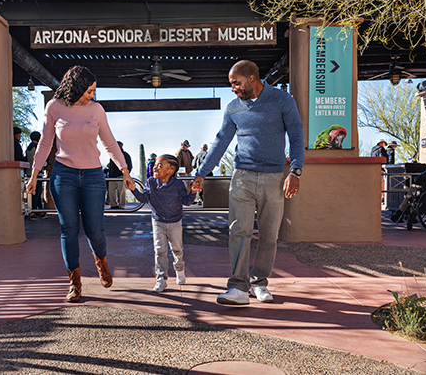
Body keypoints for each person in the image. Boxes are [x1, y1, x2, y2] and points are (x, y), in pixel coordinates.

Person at [191, 60, 305, 306]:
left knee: (268, 235)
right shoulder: (233, 108)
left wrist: (295, 171)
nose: (233, 88)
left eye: (236, 83)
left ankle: (259, 282)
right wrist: (201, 173)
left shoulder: (282, 100)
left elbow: (296, 135)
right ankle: (238, 288)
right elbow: (220, 142)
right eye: (231, 84)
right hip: (242, 177)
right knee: (238, 231)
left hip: (274, 178)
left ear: (252, 78)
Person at [26, 66, 134, 303]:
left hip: (93, 175)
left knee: (95, 229)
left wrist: (125, 171)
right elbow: (45, 142)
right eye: (88, 90)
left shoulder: (96, 110)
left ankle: (101, 262)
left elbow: (110, 142)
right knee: (69, 230)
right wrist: (34, 175)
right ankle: (75, 284)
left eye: (94, 91)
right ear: (76, 87)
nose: (91, 95)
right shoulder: (54, 107)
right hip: (63, 174)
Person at [131, 154, 196, 293]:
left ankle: (179, 270)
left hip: (175, 221)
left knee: (177, 249)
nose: (155, 167)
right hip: (158, 221)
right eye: (155, 164)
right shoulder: (151, 182)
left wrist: (193, 192)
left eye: (159, 165)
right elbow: (144, 198)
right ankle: (161, 279)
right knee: (159, 250)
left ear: (171, 170)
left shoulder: (178, 184)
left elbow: (186, 201)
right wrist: (133, 189)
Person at [25, 131, 45, 217]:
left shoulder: (28, 147)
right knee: (37, 192)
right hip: (37, 173)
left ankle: (40, 211)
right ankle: (32, 211)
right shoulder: (37, 147)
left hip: (29, 172)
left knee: (37, 192)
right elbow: (40, 159)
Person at [107, 141, 132, 209]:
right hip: (112, 176)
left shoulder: (125, 155)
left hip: (121, 176)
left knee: (122, 192)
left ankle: (122, 205)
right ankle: (113, 205)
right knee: (111, 191)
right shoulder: (112, 155)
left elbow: (129, 165)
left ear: (120, 146)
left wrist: (126, 174)